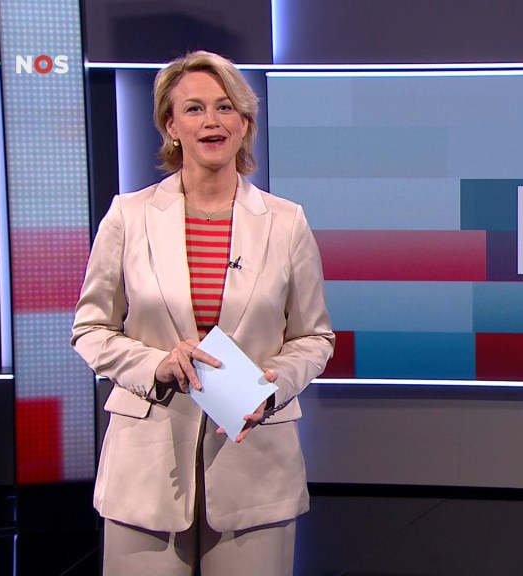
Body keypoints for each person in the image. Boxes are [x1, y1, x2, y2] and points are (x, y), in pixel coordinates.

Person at [71, 50, 334, 575]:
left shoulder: (286, 222)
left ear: (244, 124)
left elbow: (314, 337)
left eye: (225, 107)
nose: (211, 120)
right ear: (171, 126)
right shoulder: (129, 216)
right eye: (194, 109)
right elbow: (91, 329)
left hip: (254, 463)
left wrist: (270, 386)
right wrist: (155, 366)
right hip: (147, 467)